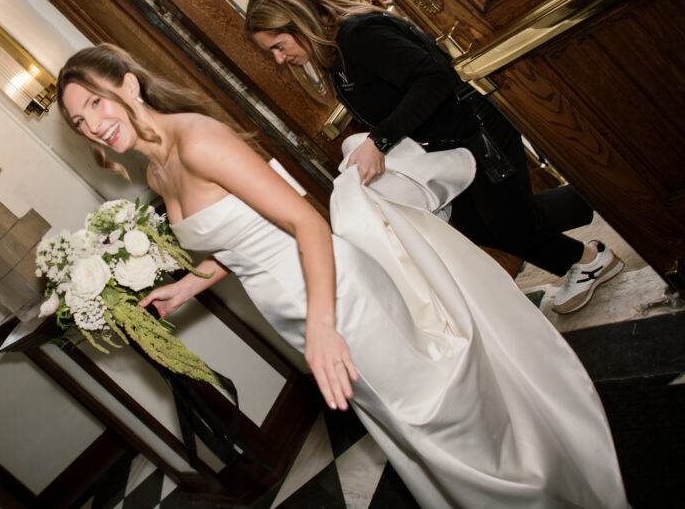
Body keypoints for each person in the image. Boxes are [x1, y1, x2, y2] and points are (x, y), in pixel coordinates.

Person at [57, 44, 629, 508]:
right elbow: (238, 238)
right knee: (405, 426)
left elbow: (304, 222)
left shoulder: (199, 139)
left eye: (97, 106)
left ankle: (536, 485)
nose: (94, 127)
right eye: (81, 123)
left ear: (129, 84)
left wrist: (325, 327)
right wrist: (191, 283)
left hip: (339, 298)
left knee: (432, 412)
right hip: (297, 314)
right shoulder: (157, 173)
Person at [244, 0, 624, 314]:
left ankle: (620, 196)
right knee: (479, 228)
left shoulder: (359, 36)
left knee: (514, 225)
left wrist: (380, 142)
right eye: (272, 53)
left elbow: (432, 79)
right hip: (450, 150)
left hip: (477, 134)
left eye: (278, 45)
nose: (279, 59)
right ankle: (587, 258)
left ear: (299, 22)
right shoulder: (335, 57)